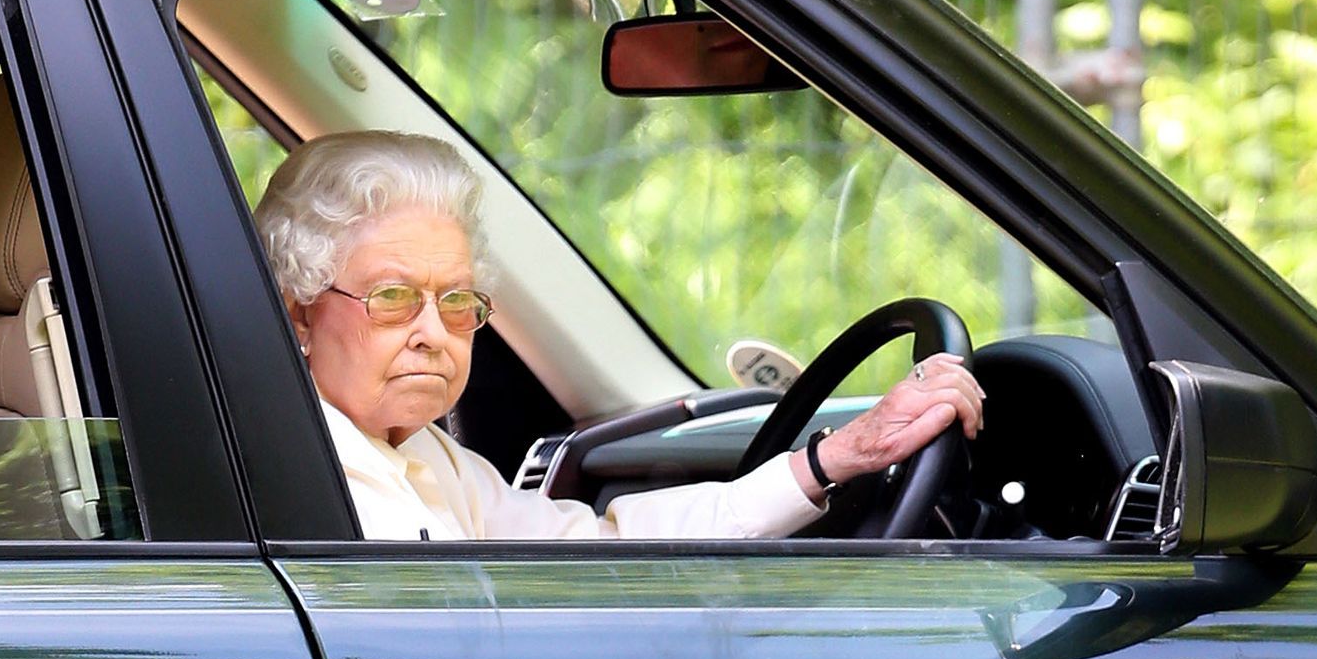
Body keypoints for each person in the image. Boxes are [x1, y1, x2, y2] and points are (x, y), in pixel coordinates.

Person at [253, 131, 984, 541]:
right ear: (299, 315)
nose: (430, 334)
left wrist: (835, 458)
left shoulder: (421, 452)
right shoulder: (289, 473)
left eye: (456, 302)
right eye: (391, 299)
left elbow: (599, 553)